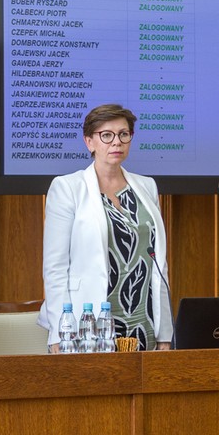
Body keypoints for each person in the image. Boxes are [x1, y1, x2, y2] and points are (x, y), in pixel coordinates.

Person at [41, 104, 172, 351]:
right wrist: (59, 334)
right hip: (89, 322)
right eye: (107, 135)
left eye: (124, 134)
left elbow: (158, 265)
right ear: (89, 142)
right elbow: (55, 267)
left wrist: (164, 332)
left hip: (143, 319)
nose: (117, 142)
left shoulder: (146, 187)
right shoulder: (68, 188)